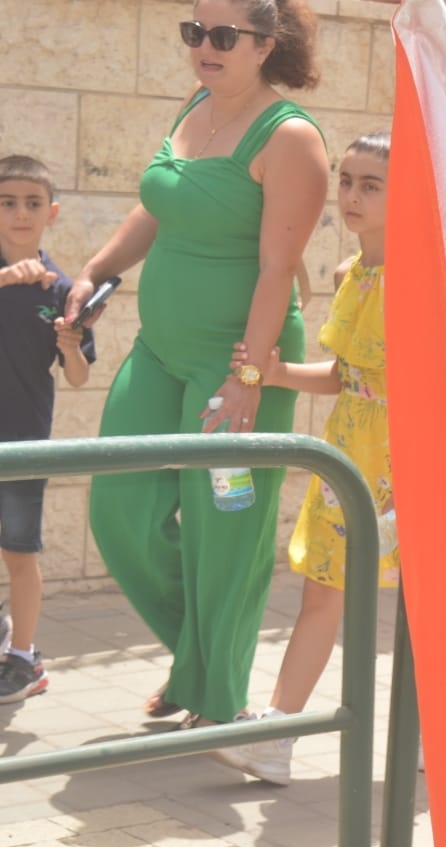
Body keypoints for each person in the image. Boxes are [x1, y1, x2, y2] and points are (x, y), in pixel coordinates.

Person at [63, 0, 328, 728]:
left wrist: (246, 382)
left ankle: (215, 695)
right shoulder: (197, 103)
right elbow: (159, 205)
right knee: (121, 512)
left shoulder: (292, 139)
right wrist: (97, 269)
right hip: (160, 350)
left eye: (221, 36)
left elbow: (278, 268)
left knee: (224, 532)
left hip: (237, 362)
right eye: (194, 32)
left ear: (265, 44)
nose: (203, 48)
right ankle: (198, 656)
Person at [212, 131, 395, 784]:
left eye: (370, 185)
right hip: (348, 452)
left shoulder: (425, 281)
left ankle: (437, 741)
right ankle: (279, 733)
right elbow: (349, 377)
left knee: (430, 612)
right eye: (347, 181)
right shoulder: (351, 275)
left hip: (406, 462)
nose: (350, 196)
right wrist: (275, 371)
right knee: (323, 592)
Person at [0, 155, 96, 704]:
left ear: (51, 213)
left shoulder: (62, 291)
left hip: (23, 440)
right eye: (8, 202)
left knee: (19, 550)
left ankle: (25, 658)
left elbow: (79, 375)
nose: (20, 213)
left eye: (32, 203)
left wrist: (69, 346)